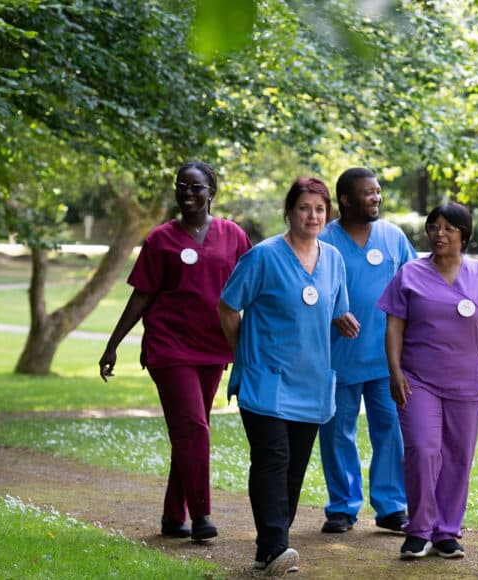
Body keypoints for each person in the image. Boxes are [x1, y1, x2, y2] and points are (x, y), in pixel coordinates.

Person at [99, 161, 252, 541]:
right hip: (169, 348)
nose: (187, 192)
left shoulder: (233, 235)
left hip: (214, 346)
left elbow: (254, 286)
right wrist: (113, 343)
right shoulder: (161, 239)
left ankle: (172, 515)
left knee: (190, 432)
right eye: (181, 185)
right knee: (194, 428)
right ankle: (201, 516)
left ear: (211, 192)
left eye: (196, 187)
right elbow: (142, 295)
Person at [218, 177, 359, 576]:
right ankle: (277, 544)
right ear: (289, 212)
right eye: (304, 208)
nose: (312, 215)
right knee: (272, 459)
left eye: (319, 209)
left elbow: (329, 303)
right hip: (266, 378)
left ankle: (269, 550)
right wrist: (241, 351)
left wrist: (341, 318)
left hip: (312, 380)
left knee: (295, 467)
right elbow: (228, 306)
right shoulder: (262, 257)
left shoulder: (333, 258)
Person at [378, 202, 478, 560]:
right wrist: (394, 370)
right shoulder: (410, 274)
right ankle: (419, 530)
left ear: (464, 235)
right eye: (434, 227)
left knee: (457, 457)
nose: (439, 234)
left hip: (467, 382)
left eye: (448, 228)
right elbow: (394, 326)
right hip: (417, 380)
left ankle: (446, 532)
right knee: (423, 449)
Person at [317, 168, 416, 534]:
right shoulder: (324, 241)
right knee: (337, 432)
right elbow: (309, 292)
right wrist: (333, 313)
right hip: (338, 359)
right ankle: (342, 506)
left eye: (377, 192)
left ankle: (391, 506)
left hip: (386, 360)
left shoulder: (392, 236)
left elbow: (414, 285)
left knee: (390, 429)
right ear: (345, 199)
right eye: (367, 193)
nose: (376, 198)